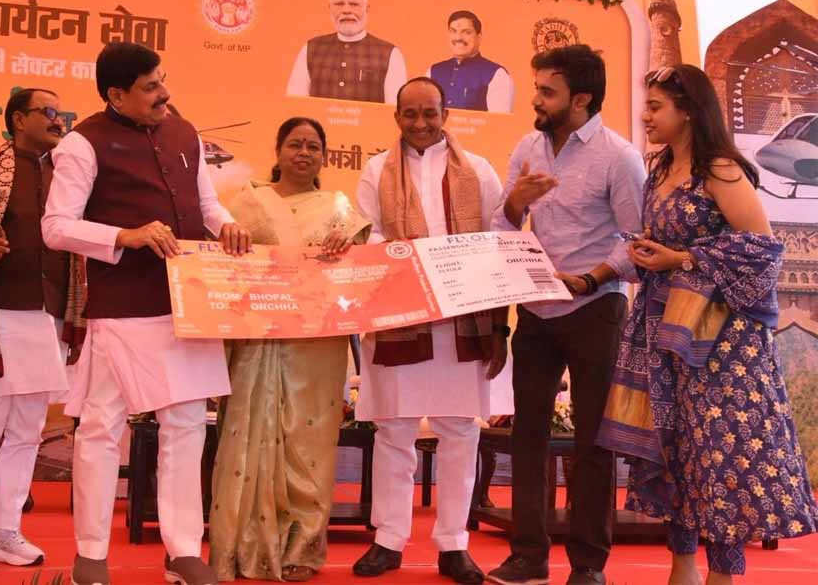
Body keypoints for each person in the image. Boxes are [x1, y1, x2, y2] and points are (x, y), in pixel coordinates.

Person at [596, 64, 818, 585]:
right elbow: (660, 242)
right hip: (664, 329)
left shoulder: (719, 170)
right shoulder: (658, 170)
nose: (646, 116)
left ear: (689, 112)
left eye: (656, 107)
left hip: (721, 343)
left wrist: (682, 259)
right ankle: (682, 570)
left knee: (719, 453)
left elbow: (763, 252)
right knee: (674, 448)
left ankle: (722, 575)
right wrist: (632, 260)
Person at [41, 42, 252, 585]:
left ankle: (182, 551)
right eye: (151, 87)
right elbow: (56, 226)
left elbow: (207, 204)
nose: (165, 93)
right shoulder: (82, 143)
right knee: (100, 428)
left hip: (188, 303)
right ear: (116, 95)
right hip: (123, 308)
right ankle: (91, 554)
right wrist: (124, 236)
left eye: (163, 80)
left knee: (187, 426)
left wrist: (226, 224)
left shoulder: (185, 133)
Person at [486, 44, 646, 585]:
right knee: (527, 435)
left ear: (581, 99)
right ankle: (528, 557)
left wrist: (592, 278)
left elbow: (637, 241)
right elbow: (502, 228)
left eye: (547, 92)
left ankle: (588, 565)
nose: (536, 99)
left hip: (595, 307)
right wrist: (515, 203)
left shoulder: (619, 156)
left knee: (592, 441)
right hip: (535, 308)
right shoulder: (528, 147)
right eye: (537, 88)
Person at [351, 77, 506, 585]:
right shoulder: (376, 170)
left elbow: (496, 242)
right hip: (400, 316)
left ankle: (453, 544)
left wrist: (499, 327)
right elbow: (366, 234)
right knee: (394, 431)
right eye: (410, 113)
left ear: (446, 114)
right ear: (396, 116)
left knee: (459, 431)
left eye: (430, 113)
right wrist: (415, 261)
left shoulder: (478, 170)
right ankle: (388, 539)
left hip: (462, 317)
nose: (420, 123)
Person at [209, 117, 371, 582]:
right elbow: (225, 267)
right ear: (278, 151)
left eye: (314, 146)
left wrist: (348, 245)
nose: (304, 153)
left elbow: (359, 273)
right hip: (258, 339)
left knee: (309, 440)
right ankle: (241, 546)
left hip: (316, 343)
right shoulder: (246, 203)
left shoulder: (341, 209)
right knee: (247, 433)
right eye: (295, 144)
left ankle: (302, 546)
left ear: (324, 157)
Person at [0, 88, 86, 573]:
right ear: (17, 120)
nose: (57, 119)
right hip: (1, 310)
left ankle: (6, 529)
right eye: (46, 112)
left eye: (59, 112)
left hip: (51, 312)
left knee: (29, 428)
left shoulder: (67, 175)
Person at [286, 0, 407, 104]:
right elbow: (295, 103)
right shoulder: (310, 49)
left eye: (354, 4)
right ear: (330, 8)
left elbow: (394, 108)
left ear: (367, 8)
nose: (346, 10)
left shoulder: (391, 54)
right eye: (339, 4)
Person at [427, 11, 514, 113]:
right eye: (453, 31)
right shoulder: (433, 72)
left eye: (467, 32)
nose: (458, 38)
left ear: (479, 37)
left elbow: (498, 122)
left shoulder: (497, 75)